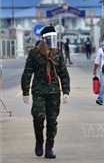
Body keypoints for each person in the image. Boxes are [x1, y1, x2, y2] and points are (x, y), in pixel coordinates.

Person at [21, 26, 70, 159]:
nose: (52, 41)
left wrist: (66, 91)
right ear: (43, 39)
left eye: (54, 38)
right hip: (39, 91)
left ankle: (49, 148)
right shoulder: (34, 54)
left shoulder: (58, 54)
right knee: (38, 118)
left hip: (54, 92)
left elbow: (64, 74)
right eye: (49, 38)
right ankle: (39, 142)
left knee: (52, 121)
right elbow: (27, 73)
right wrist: (25, 91)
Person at [93, 34, 104, 105]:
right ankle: (100, 99)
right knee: (103, 84)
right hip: (103, 70)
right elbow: (97, 61)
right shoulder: (100, 50)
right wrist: (94, 70)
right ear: (102, 41)